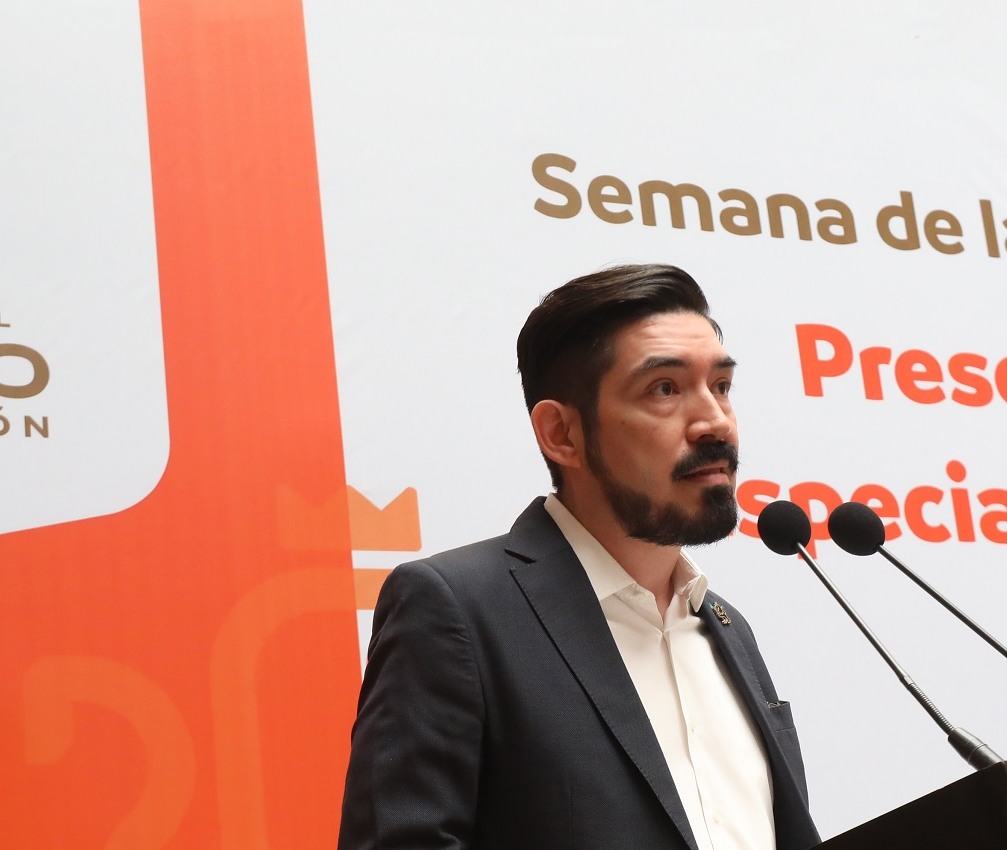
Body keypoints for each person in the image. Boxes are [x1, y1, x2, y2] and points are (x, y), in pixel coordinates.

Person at [337, 264, 818, 850]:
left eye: (720, 386)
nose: (715, 422)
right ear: (561, 434)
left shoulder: (726, 629)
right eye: (664, 389)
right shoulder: (459, 611)